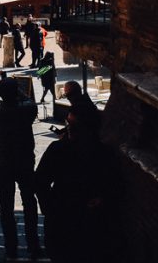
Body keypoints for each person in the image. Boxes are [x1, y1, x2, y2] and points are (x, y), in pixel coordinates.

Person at [35, 108, 119, 263]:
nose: (69, 128)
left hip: (86, 220)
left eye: (75, 125)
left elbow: (113, 184)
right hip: (63, 217)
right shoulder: (59, 149)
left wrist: (102, 198)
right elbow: (40, 182)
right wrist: (49, 208)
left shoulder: (102, 153)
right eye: (69, 123)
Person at [0, 70, 41, 262]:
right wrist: (16, 88)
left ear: (0, 95)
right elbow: (30, 101)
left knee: (6, 207)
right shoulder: (27, 111)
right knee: (29, 203)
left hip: (4, 164)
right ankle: (33, 245)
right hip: (25, 162)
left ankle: (11, 248)